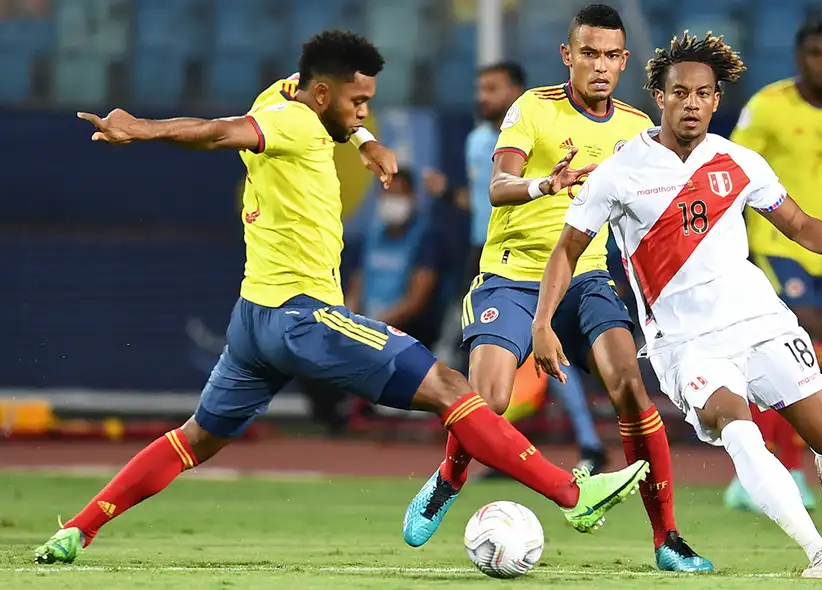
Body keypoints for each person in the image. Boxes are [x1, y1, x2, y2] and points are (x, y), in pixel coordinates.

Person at [34, 30, 651, 565]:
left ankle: (77, 530)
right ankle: (574, 496)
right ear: (325, 95)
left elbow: (311, 113)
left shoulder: (288, 92)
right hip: (304, 318)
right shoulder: (287, 122)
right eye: (359, 104)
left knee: (195, 439)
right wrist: (140, 129)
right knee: (450, 389)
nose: (364, 112)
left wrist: (365, 143)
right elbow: (220, 132)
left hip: (252, 320)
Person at [531, 32, 822, 578]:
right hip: (687, 346)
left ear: (717, 99)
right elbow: (567, 250)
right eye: (679, 92)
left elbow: (799, 225)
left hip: (760, 322)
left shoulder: (737, 161)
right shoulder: (620, 172)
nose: (691, 103)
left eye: (702, 93)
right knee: (739, 433)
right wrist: (543, 322)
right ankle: (819, 553)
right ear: (660, 96)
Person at [403, 4, 712, 572]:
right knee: (489, 401)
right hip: (512, 275)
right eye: (588, 54)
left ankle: (667, 537)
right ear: (569, 55)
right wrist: (546, 183)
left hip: (586, 278)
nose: (600, 65)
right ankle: (449, 478)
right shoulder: (532, 109)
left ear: (624, 61)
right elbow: (497, 186)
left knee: (630, 389)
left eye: (611, 56)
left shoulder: (635, 130)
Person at [725, 19, 822, 511]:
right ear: (799, 57)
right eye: (815, 52)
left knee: (805, 357)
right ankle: (775, 470)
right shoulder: (767, 106)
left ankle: (767, 468)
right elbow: (730, 172)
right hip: (775, 245)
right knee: (799, 340)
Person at [464, 61, 609, 477]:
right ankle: (505, 445)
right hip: (492, 254)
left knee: (549, 355)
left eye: (492, 88)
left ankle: (584, 443)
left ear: (515, 90)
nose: (483, 97)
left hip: (555, 258)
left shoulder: (541, 130)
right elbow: (486, 194)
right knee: (497, 363)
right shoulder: (477, 140)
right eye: (480, 88)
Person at [345, 168, 447, 347]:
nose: (392, 200)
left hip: (405, 338)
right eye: (388, 194)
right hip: (364, 333)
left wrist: (376, 326)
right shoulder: (370, 237)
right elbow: (356, 287)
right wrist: (350, 324)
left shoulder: (426, 239)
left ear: (412, 198)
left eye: (398, 194)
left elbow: (416, 300)